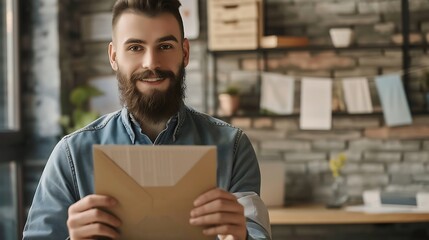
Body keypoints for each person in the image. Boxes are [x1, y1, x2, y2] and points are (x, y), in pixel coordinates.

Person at [23, 0, 271, 239]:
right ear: (113, 56)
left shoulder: (233, 147)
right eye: (135, 47)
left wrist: (239, 237)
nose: (151, 62)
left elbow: (256, 235)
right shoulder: (71, 155)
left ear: (184, 52)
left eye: (165, 46)